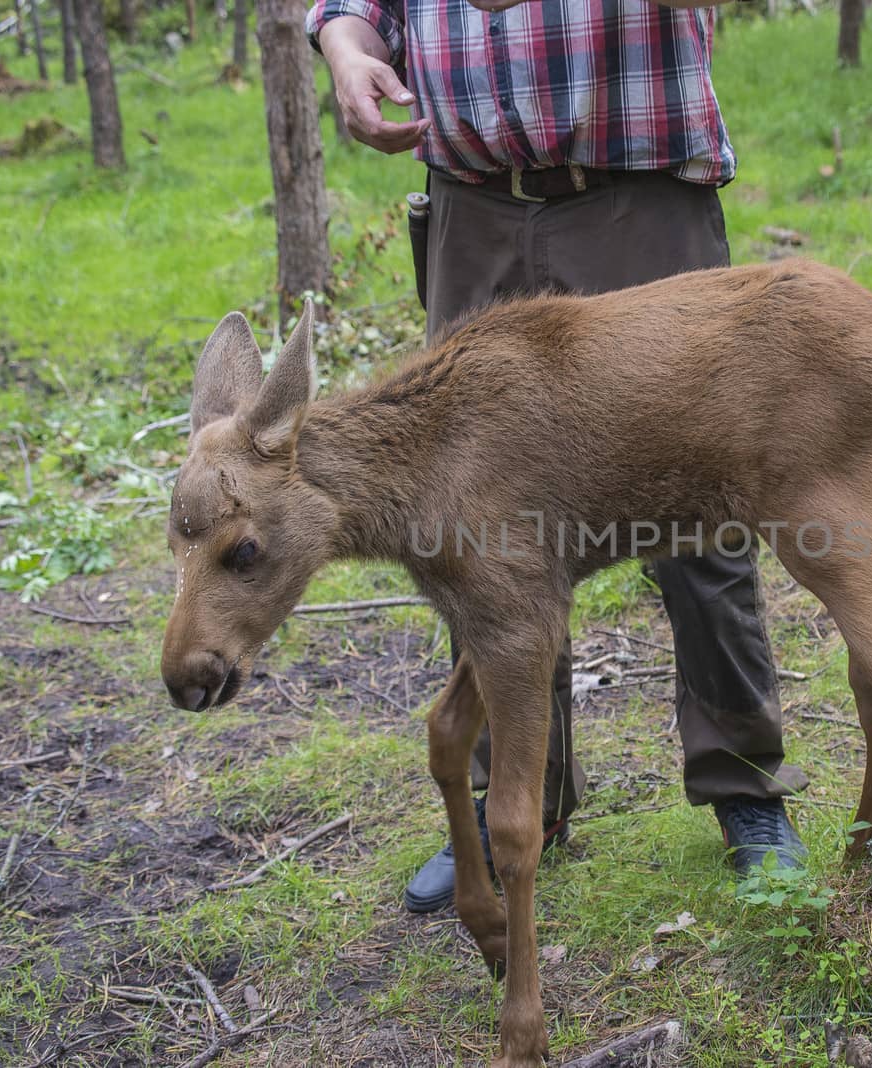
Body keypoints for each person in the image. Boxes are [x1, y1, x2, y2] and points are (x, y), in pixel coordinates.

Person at [307, 0, 808, 914]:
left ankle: (746, 792)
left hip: (636, 199)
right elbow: (359, 8)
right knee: (469, 528)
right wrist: (347, 50)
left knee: (698, 505)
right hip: (474, 212)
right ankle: (521, 810)